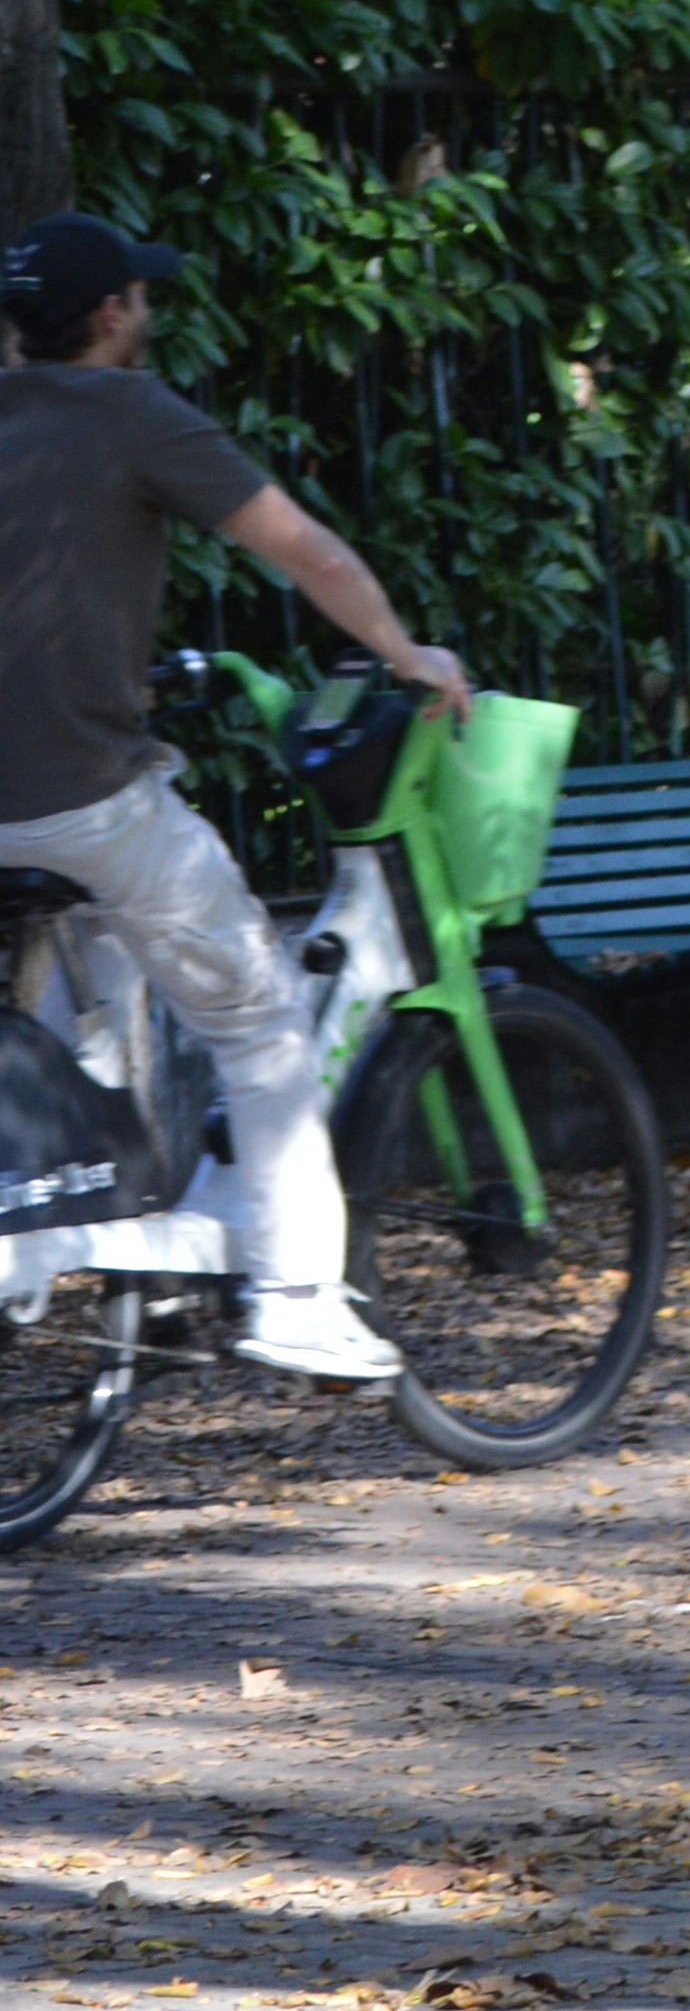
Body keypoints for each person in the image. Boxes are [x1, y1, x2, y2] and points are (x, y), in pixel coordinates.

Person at [0, 210, 462, 1381]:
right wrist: (410, 655)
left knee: (87, 994)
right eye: (139, 299)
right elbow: (303, 549)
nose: (146, 313)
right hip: (84, 803)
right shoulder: (133, 414)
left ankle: (143, 1278)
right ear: (112, 316)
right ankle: (298, 1296)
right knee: (258, 1025)